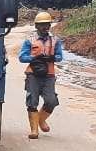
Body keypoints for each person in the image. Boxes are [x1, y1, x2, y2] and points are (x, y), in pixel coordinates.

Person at [18, 11, 65, 139]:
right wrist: (34, 57)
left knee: (51, 101)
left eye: (47, 25)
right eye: (42, 25)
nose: (45, 27)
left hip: (49, 75)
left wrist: (52, 57)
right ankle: (34, 130)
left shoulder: (55, 40)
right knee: (32, 101)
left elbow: (60, 57)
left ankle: (41, 120)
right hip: (33, 74)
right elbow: (21, 57)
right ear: (36, 26)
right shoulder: (30, 40)